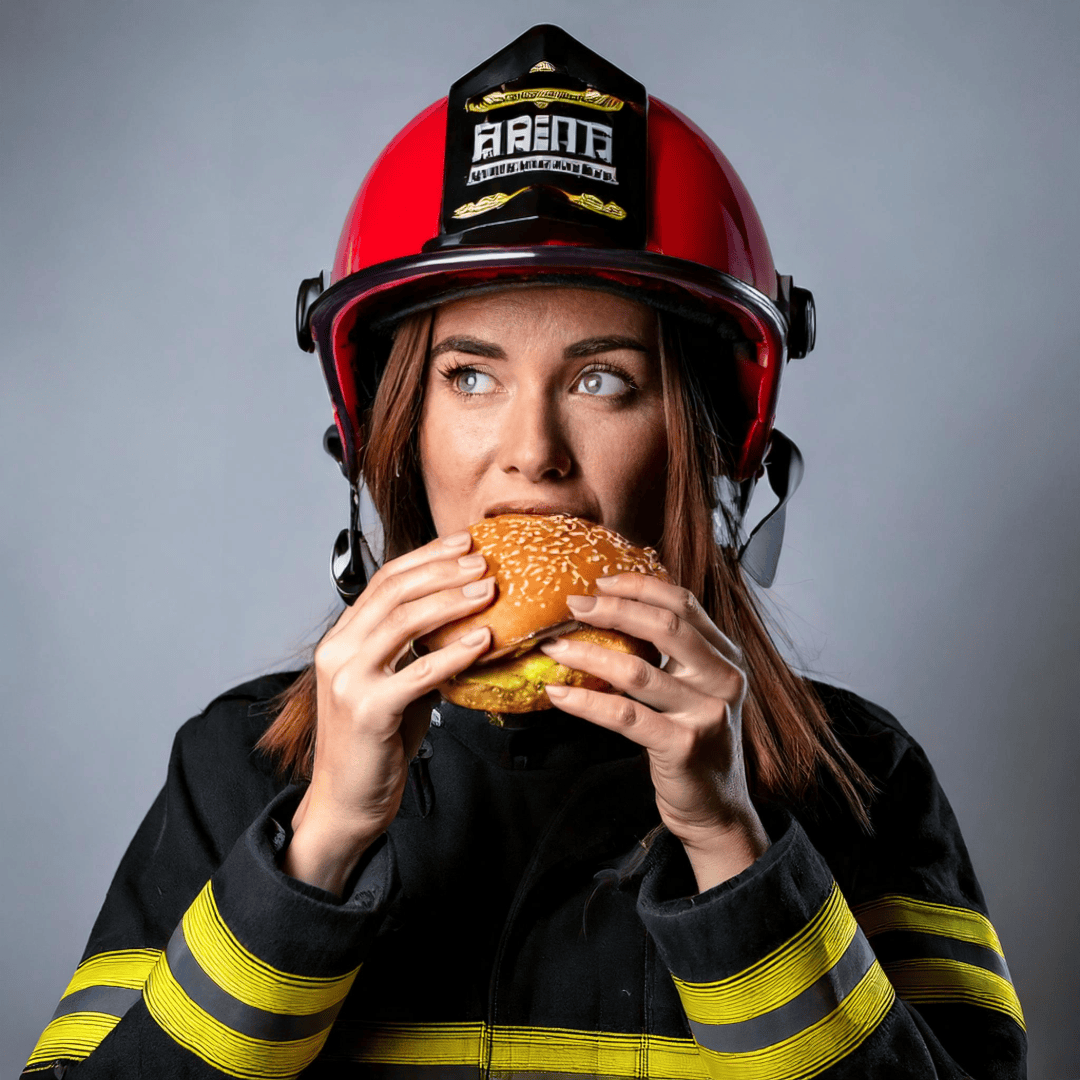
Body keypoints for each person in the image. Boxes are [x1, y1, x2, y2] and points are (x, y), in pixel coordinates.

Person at [23, 25, 1026, 1080]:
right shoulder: (240, 770)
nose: (532, 456)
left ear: (705, 441)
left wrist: (736, 845)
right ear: (393, 434)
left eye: (603, 381)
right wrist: (314, 849)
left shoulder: (860, 782)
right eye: (470, 376)